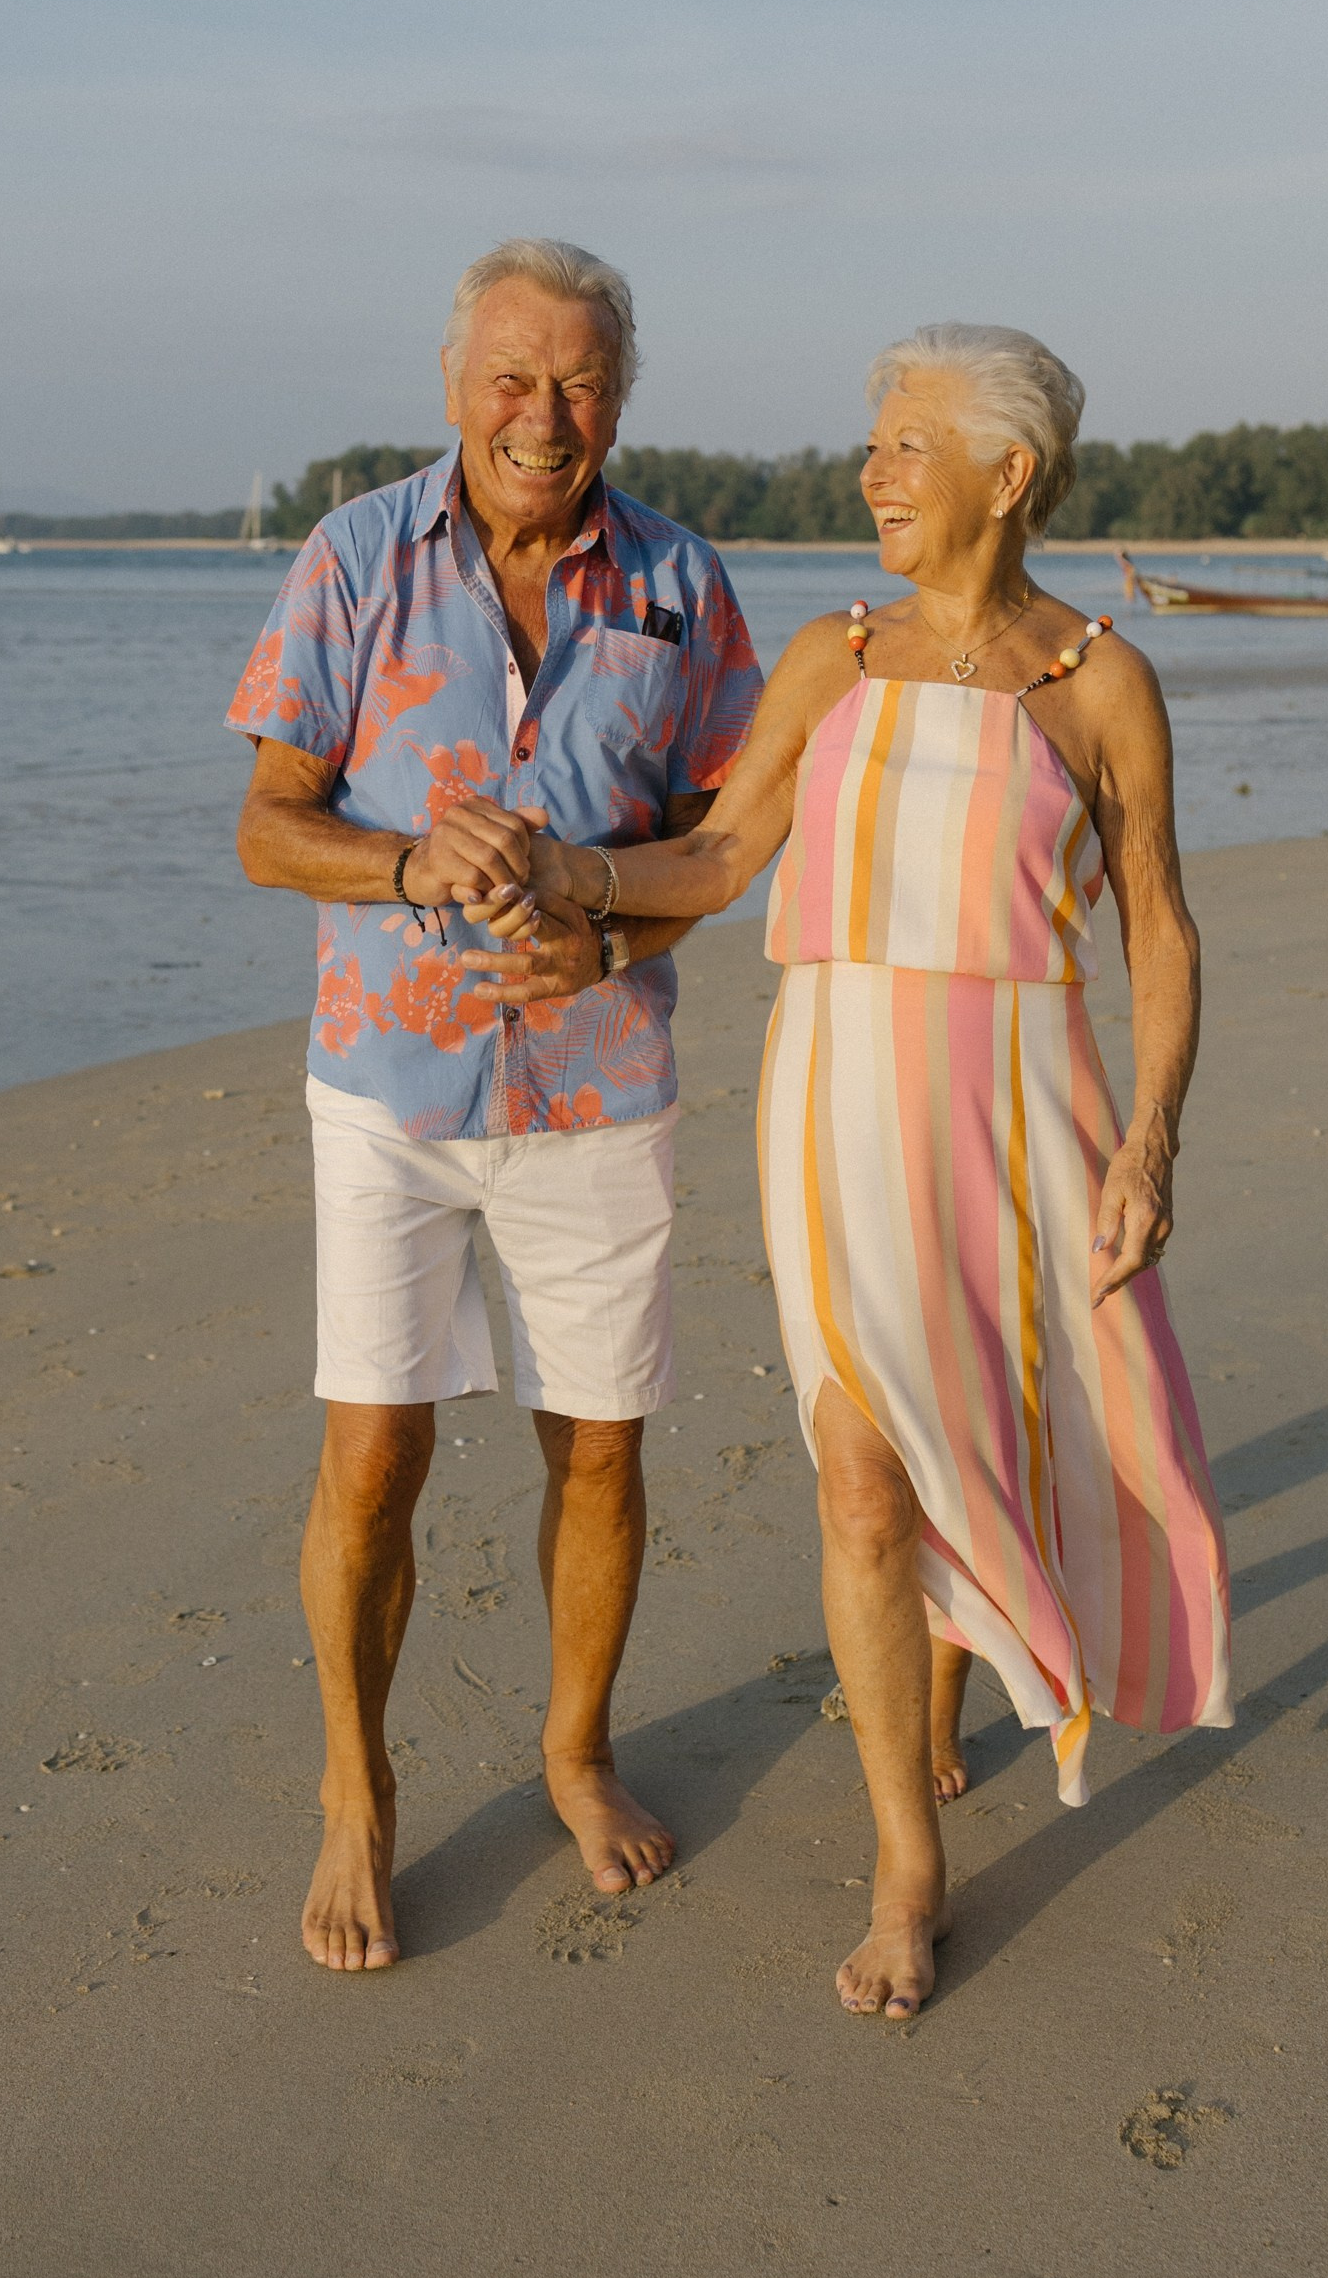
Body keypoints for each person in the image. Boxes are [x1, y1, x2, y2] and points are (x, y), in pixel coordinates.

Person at [499, 325, 1233, 2020]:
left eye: (908, 445)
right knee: (858, 1466)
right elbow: (723, 848)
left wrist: (1154, 1136)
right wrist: (569, 877)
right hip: (835, 1092)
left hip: (1021, 1105)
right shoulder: (836, 657)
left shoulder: (1100, 683)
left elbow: (1163, 924)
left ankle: (963, 1643)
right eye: (874, 444)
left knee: (984, 1425)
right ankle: (909, 1866)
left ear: (1008, 473)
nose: (872, 475)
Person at [228, 237, 761, 1972]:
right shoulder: (355, 556)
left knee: (598, 1443)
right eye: (514, 379)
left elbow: (722, 847)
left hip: (597, 1088)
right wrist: (399, 858)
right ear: (455, 384)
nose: (547, 415)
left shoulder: (681, 583)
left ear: (623, 394)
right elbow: (265, 824)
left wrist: (609, 929)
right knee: (374, 1449)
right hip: (386, 1082)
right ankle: (356, 1795)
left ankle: (575, 1753)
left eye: (584, 380)